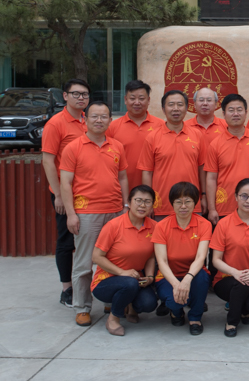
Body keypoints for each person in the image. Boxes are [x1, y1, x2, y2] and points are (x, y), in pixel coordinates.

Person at [60, 100, 129, 327]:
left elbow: (122, 177)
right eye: (94, 116)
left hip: (115, 211)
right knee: (84, 262)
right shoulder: (73, 147)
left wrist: (125, 206)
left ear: (110, 120)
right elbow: (65, 183)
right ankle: (82, 307)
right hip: (86, 212)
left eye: (104, 116)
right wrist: (71, 214)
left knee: (114, 259)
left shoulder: (117, 146)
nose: (99, 120)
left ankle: (110, 300)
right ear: (85, 119)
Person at [41, 78, 89, 308]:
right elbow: (48, 161)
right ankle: (66, 289)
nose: (81, 98)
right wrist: (59, 195)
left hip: (88, 192)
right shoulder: (56, 124)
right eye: (76, 94)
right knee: (66, 240)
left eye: (85, 94)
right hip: (65, 192)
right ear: (65, 96)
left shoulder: (88, 120)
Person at [90, 185, 158, 336]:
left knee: (149, 303)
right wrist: (122, 272)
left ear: (152, 205)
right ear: (129, 202)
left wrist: (149, 277)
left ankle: (130, 305)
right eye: (138, 200)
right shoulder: (113, 226)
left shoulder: (154, 227)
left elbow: (151, 256)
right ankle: (113, 318)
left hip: (135, 279)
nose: (142, 205)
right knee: (129, 283)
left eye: (147, 202)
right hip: (106, 281)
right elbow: (96, 256)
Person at [210, 178, 249, 337]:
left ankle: (244, 308)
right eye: (244, 196)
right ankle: (232, 321)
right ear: (236, 197)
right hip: (226, 278)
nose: (248, 200)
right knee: (241, 284)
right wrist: (235, 273)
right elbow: (215, 259)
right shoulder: (223, 224)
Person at [152, 182, 212, 335]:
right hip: (168, 276)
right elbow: (162, 261)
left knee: (203, 277)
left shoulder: (204, 224)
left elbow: (201, 257)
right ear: (172, 204)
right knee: (175, 301)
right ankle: (176, 312)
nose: (183, 206)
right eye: (178, 202)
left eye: (188, 201)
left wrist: (187, 279)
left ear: (195, 203)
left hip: (194, 273)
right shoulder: (161, 226)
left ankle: (195, 318)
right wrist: (176, 284)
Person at [138, 90, 206, 218]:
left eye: (180, 104)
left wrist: (204, 196)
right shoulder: (152, 137)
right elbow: (147, 172)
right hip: (161, 206)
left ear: (186, 109)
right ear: (163, 109)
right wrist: (148, 201)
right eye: (171, 104)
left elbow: (202, 168)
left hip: (192, 203)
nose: (176, 108)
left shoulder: (197, 135)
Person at [205, 94, 249, 225]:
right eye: (231, 110)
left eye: (239, 110)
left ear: (246, 113)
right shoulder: (215, 144)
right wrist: (212, 209)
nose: (235, 113)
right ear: (224, 114)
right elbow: (211, 178)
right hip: (224, 206)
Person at [107, 80, 164, 190]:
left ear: (148, 100)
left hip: (154, 189)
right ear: (125, 100)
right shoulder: (112, 127)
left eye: (141, 98)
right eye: (132, 98)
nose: (137, 102)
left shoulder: (161, 125)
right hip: (121, 188)